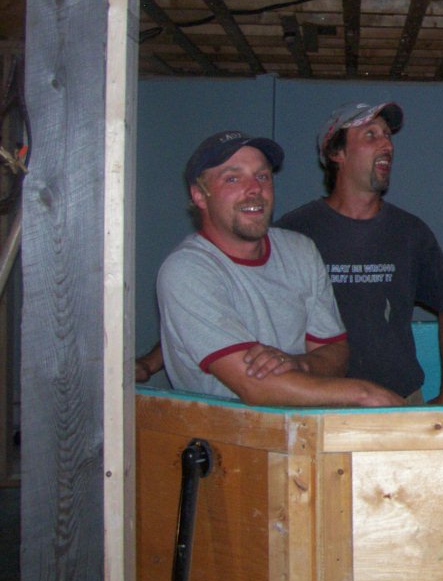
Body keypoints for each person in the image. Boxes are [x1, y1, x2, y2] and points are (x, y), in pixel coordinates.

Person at [157, 129, 405, 406]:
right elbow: (257, 388)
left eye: (262, 176)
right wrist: (366, 394)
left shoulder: (299, 250)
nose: (254, 189)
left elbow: (335, 353)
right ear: (200, 196)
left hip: (302, 432)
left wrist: (298, 365)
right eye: (233, 178)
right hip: (224, 440)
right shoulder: (187, 270)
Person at [277, 101, 443, 404]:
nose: (386, 144)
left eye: (387, 135)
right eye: (370, 135)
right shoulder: (294, 232)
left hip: (400, 404)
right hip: (316, 405)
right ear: (337, 154)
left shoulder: (410, 232)